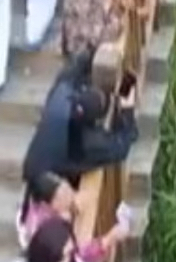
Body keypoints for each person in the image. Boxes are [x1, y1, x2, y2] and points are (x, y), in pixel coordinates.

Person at [22, 50, 138, 187]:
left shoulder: (61, 92)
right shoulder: (84, 142)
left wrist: (96, 55)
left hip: (36, 163)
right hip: (46, 188)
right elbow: (121, 146)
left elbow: (75, 65)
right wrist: (127, 110)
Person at [18, 172, 129, 262]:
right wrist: (108, 239)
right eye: (63, 196)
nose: (71, 195)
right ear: (46, 204)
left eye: (67, 189)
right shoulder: (49, 230)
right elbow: (75, 259)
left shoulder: (38, 207)